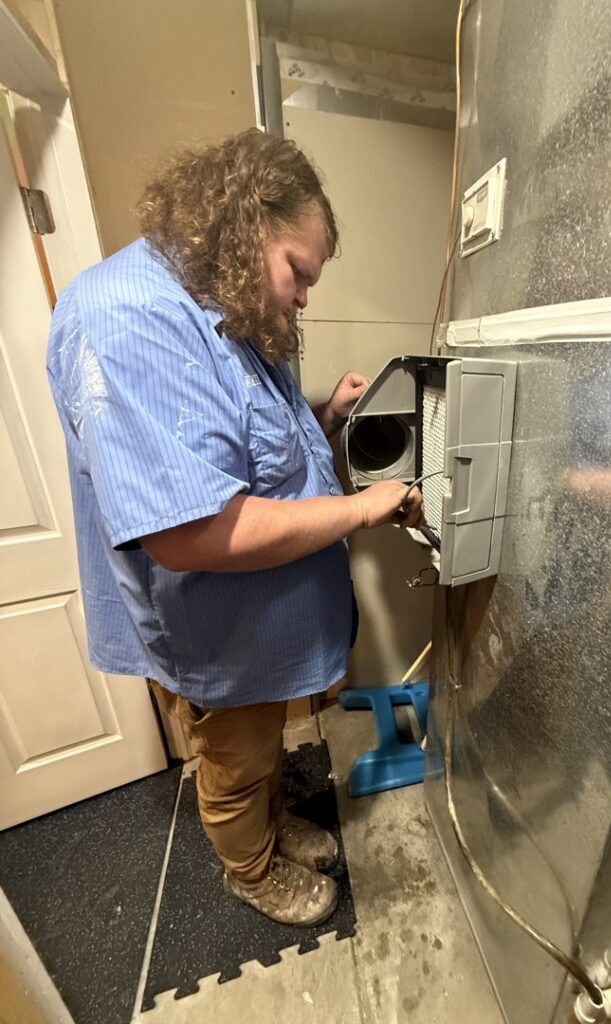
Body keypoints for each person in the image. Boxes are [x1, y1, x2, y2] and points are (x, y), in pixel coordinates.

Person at [46, 129, 423, 928]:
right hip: (215, 624)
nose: (305, 297)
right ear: (246, 222)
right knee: (235, 754)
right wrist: (365, 505)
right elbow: (192, 532)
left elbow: (249, 449)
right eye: (299, 271)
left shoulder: (230, 302)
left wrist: (324, 416)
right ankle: (250, 869)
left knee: (262, 748)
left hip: (265, 622)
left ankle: (270, 820)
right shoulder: (131, 317)